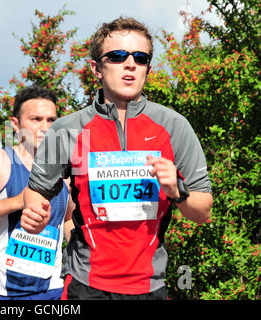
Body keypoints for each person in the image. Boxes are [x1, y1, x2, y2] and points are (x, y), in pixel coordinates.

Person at [21, 17, 213, 300]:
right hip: (84, 283)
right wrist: (34, 215)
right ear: (96, 68)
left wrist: (177, 191)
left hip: (149, 286)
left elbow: (204, 212)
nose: (130, 63)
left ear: (148, 67)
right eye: (117, 56)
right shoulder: (68, 129)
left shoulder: (173, 126)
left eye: (140, 57)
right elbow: (37, 192)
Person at [0, 84, 74, 300]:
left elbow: (68, 220)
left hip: (50, 291)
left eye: (51, 120)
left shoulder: (66, 171)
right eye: (36, 119)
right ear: (16, 125)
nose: (45, 127)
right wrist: (18, 201)